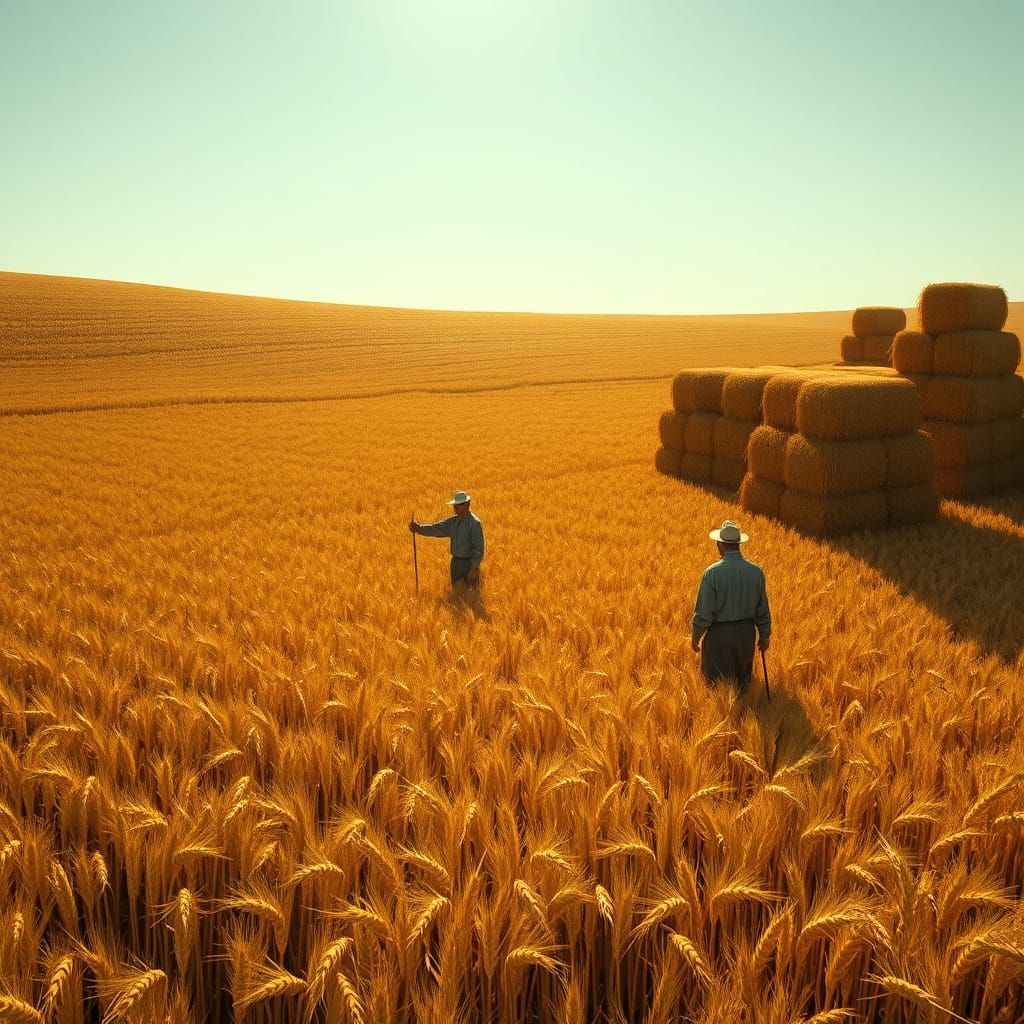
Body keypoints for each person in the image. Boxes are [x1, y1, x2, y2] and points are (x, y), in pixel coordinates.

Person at [691, 519, 771, 690]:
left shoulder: (712, 574)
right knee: (742, 685)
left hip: (719, 636)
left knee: (715, 687)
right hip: (746, 635)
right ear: (738, 544)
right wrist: (765, 635)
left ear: (720, 544)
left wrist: (696, 637)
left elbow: (704, 615)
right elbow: (762, 610)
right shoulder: (756, 572)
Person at [409, 491, 484, 587]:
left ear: (468, 504)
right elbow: (436, 528)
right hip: (455, 563)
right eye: (455, 504)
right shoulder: (452, 522)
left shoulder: (474, 523)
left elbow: (478, 549)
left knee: (470, 594)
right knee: (456, 593)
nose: (456, 507)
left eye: (459, 504)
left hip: (468, 563)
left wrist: (473, 569)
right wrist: (418, 528)